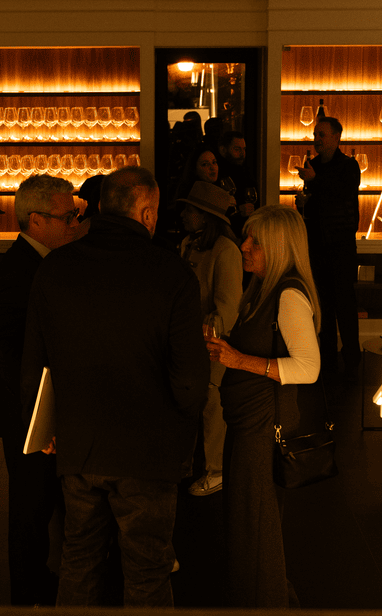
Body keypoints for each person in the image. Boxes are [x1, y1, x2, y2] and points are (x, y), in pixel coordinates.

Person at [21, 167, 209, 607]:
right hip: (150, 452)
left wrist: (47, 427)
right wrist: (182, 431)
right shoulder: (173, 274)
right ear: (147, 213)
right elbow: (190, 380)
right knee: (147, 573)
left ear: (102, 206)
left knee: (79, 561)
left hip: (79, 446)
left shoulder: (54, 269)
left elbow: (33, 363)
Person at [204, 204, 321, 607]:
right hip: (248, 424)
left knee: (257, 525)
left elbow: (308, 367)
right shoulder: (262, 291)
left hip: (263, 427)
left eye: (255, 240)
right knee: (248, 522)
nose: (244, 245)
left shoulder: (288, 294)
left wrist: (238, 361)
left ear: (278, 246)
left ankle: (265, 603)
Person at [0, 174, 79, 606]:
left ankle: (39, 588)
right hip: (29, 419)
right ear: (36, 220)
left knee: (39, 510)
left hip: (35, 415)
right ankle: (29, 597)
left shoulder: (39, 262)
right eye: (67, 215)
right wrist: (38, 401)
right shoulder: (21, 269)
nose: (74, 223)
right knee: (31, 515)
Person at [176, 181, 243, 498]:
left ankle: (216, 471)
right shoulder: (189, 243)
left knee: (211, 405)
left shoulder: (226, 251)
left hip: (212, 345)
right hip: (187, 344)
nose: (184, 214)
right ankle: (186, 464)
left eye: (190, 209)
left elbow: (228, 308)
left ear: (205, 216)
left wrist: (201, 331)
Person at [297, 116, 362, 381]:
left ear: (337, 138)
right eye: (315, 134)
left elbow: (342, 192)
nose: (317, 139)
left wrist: (314, 181)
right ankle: (325, 360)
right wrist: (303, 202)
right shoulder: (312, 166)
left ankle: (352, 359)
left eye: (322, 134)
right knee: (322, 305)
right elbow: (316, 206)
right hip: (317, 245)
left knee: (345, 304)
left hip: (341, 246)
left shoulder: (349, 166)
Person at [217, 130, 257, 235]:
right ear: (223, 150)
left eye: (244, 149)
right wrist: (238, 211)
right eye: (237, 149)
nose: (242, 154)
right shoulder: (217, 173)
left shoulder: (244, 170)